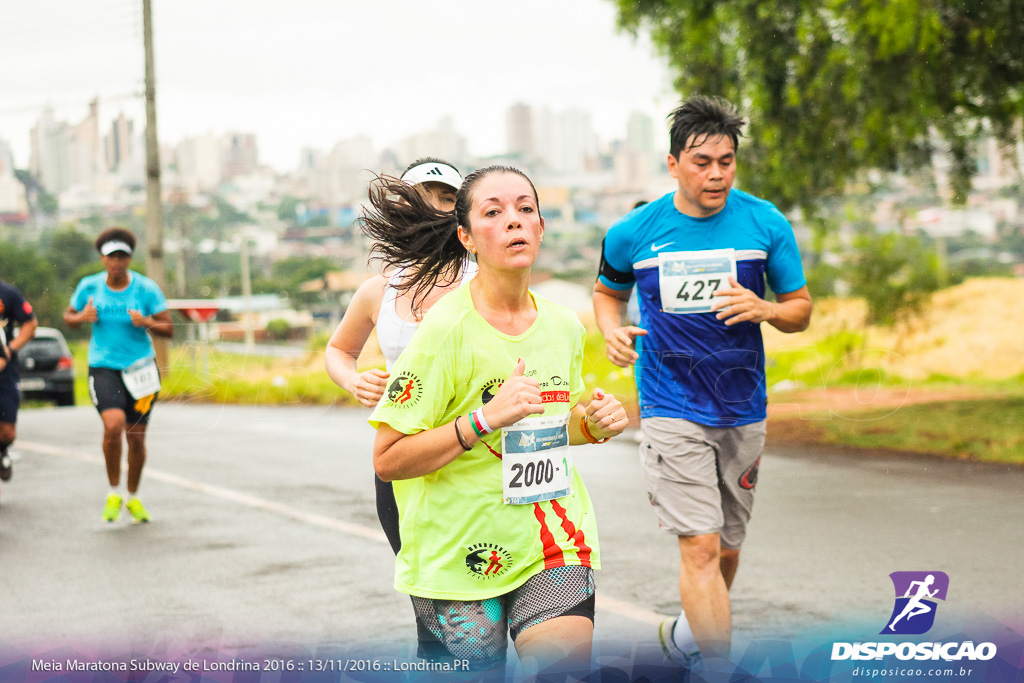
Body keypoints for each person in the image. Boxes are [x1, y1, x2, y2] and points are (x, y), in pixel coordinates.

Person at [367, 166, 630, 676]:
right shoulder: (443, 331)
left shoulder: (561, 325)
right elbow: (388, 458)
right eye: (494, 212)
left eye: (525, 209)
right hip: (459, 557)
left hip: (552, 542)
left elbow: (557, 421)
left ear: (542, 226)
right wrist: (483, 420)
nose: (514, 222)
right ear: (466, 237)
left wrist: (594, 423)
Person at [592, 96, 812, 665]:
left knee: (728, 548)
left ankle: (690, 638)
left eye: (726, 161)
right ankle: (715, 668)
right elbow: (606, 294)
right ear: (672, 165)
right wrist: (611, 331)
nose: (715, 174)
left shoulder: (764, 222)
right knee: (700, 546)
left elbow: (801, 309)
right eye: (701, 162)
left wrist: (765, 309)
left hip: (743, 408)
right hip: (670, 405)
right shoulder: (633, 232)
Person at [324, 157, 475, 554]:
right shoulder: (379, 291)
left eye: (448, 198)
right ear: (402, 207)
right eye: (425, 196)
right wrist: (353, 379)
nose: (437, 206)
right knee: (430, 595)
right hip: (402, 457)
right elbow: (339, 350)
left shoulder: (487, 282)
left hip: (477, 455)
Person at [64, 228, 173, 523]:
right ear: (102, 259)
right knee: (113, 426)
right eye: (111, 256)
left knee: (136, 439)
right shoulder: (89, 287)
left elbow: (169, 329)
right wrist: (81, 318)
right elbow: (68, 317)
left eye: (122, 256)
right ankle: (114, 491)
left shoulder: (146, 289)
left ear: (129, 259)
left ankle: (133, 498)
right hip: (104, 367)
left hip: (141, 371)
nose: (117, 262)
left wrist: (146, 321)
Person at [0, 279, 38, 496]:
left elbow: (31, 324)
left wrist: (8, 352)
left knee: (7, 432)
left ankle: (2, 450)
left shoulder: (7, 293)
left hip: (4, 372)